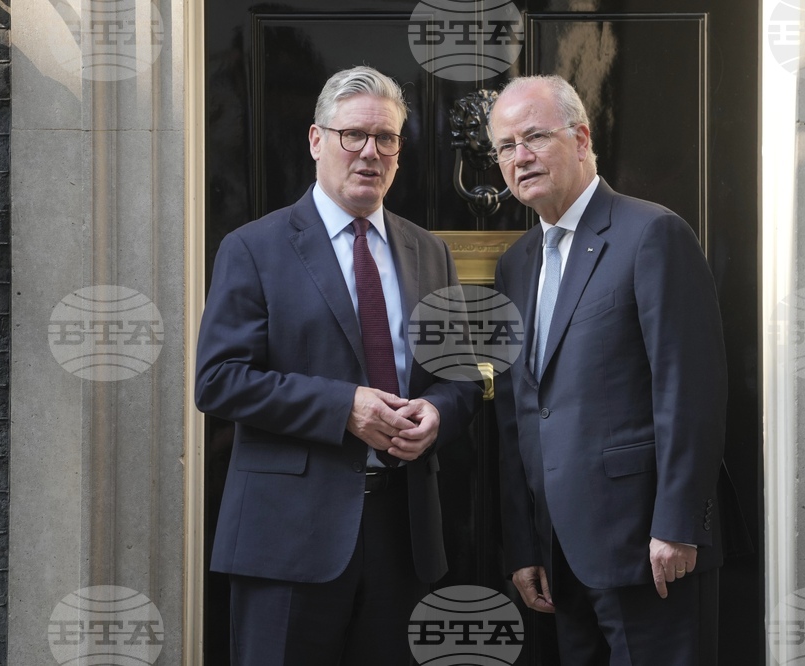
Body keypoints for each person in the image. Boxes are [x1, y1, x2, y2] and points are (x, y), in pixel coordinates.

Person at [195, 66, 481, 666]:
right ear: (316, 140)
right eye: (353, 135)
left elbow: (459, 377)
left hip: (403, 535)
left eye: (386, 138)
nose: (370, 153)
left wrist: (436, 412)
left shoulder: (429, 252)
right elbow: (218, 380)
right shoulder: (253, 248)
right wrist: (343, 407)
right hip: (288, 540)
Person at [490, 75, 729, 665]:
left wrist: (678, 525)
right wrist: (523, 543)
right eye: (505, 146)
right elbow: (519, 412)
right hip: (559, 559)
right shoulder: (516, 265)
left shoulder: (651, 234)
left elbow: (689, 393)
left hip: (650, 550)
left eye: (535, 137)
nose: (520, 157)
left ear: (581, 139)